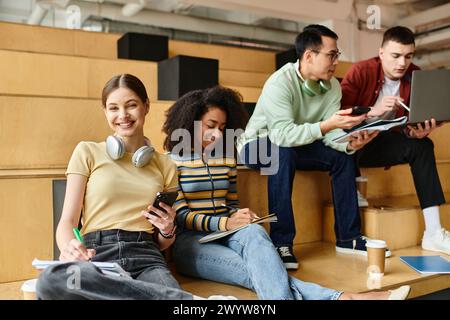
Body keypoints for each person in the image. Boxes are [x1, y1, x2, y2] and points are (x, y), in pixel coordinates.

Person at [162, 85, 409, 300]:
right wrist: (226, 222)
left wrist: (242, 217)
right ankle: (344, 297)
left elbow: (231, 203)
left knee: (257, 231)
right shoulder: (171, 162)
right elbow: (182, 216)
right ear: (191, 122)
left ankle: (346, 298)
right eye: (210, 126)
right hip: (191, 244)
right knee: (261, 271)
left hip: (226, 232)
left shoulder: (226, 158)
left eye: (223, 127)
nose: (217, 134)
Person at [36, 74, 229, 300]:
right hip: (96, 255)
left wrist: (168, 230)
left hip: (147, 256)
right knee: (51, 281)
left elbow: (162, 242)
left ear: (146, 107)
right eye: (113, 108)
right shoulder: (86, 152)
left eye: (131, 105)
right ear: (105, 112)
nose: (123, 115)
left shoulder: (165, 164)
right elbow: (67, 222)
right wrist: (70, 248)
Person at [236, 25, 389, 270]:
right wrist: (327, 125)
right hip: (257, 143)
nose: (336, 61)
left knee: (342, 158)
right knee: (282, 153)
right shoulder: (280, 83)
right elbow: (282, 135)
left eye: (337, 55)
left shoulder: (333, 87)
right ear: (309, 56)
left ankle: (348, 237)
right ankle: (281, 242)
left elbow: (331, 133)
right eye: (332, 55)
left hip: (299, 143)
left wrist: (349, 143)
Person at [340, 26, 450, 255]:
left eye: (408, 56)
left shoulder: (416, 76)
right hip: (354, 143)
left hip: (384, 143)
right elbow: (340, 116)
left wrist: (416, 133)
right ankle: (353, 183)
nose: (402, 63)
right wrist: (373, 110)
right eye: (395, 55)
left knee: (422, 146)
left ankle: (433, 232)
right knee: (352, 140)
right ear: (381, 53)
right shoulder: (360, 71)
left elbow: (408, 126)